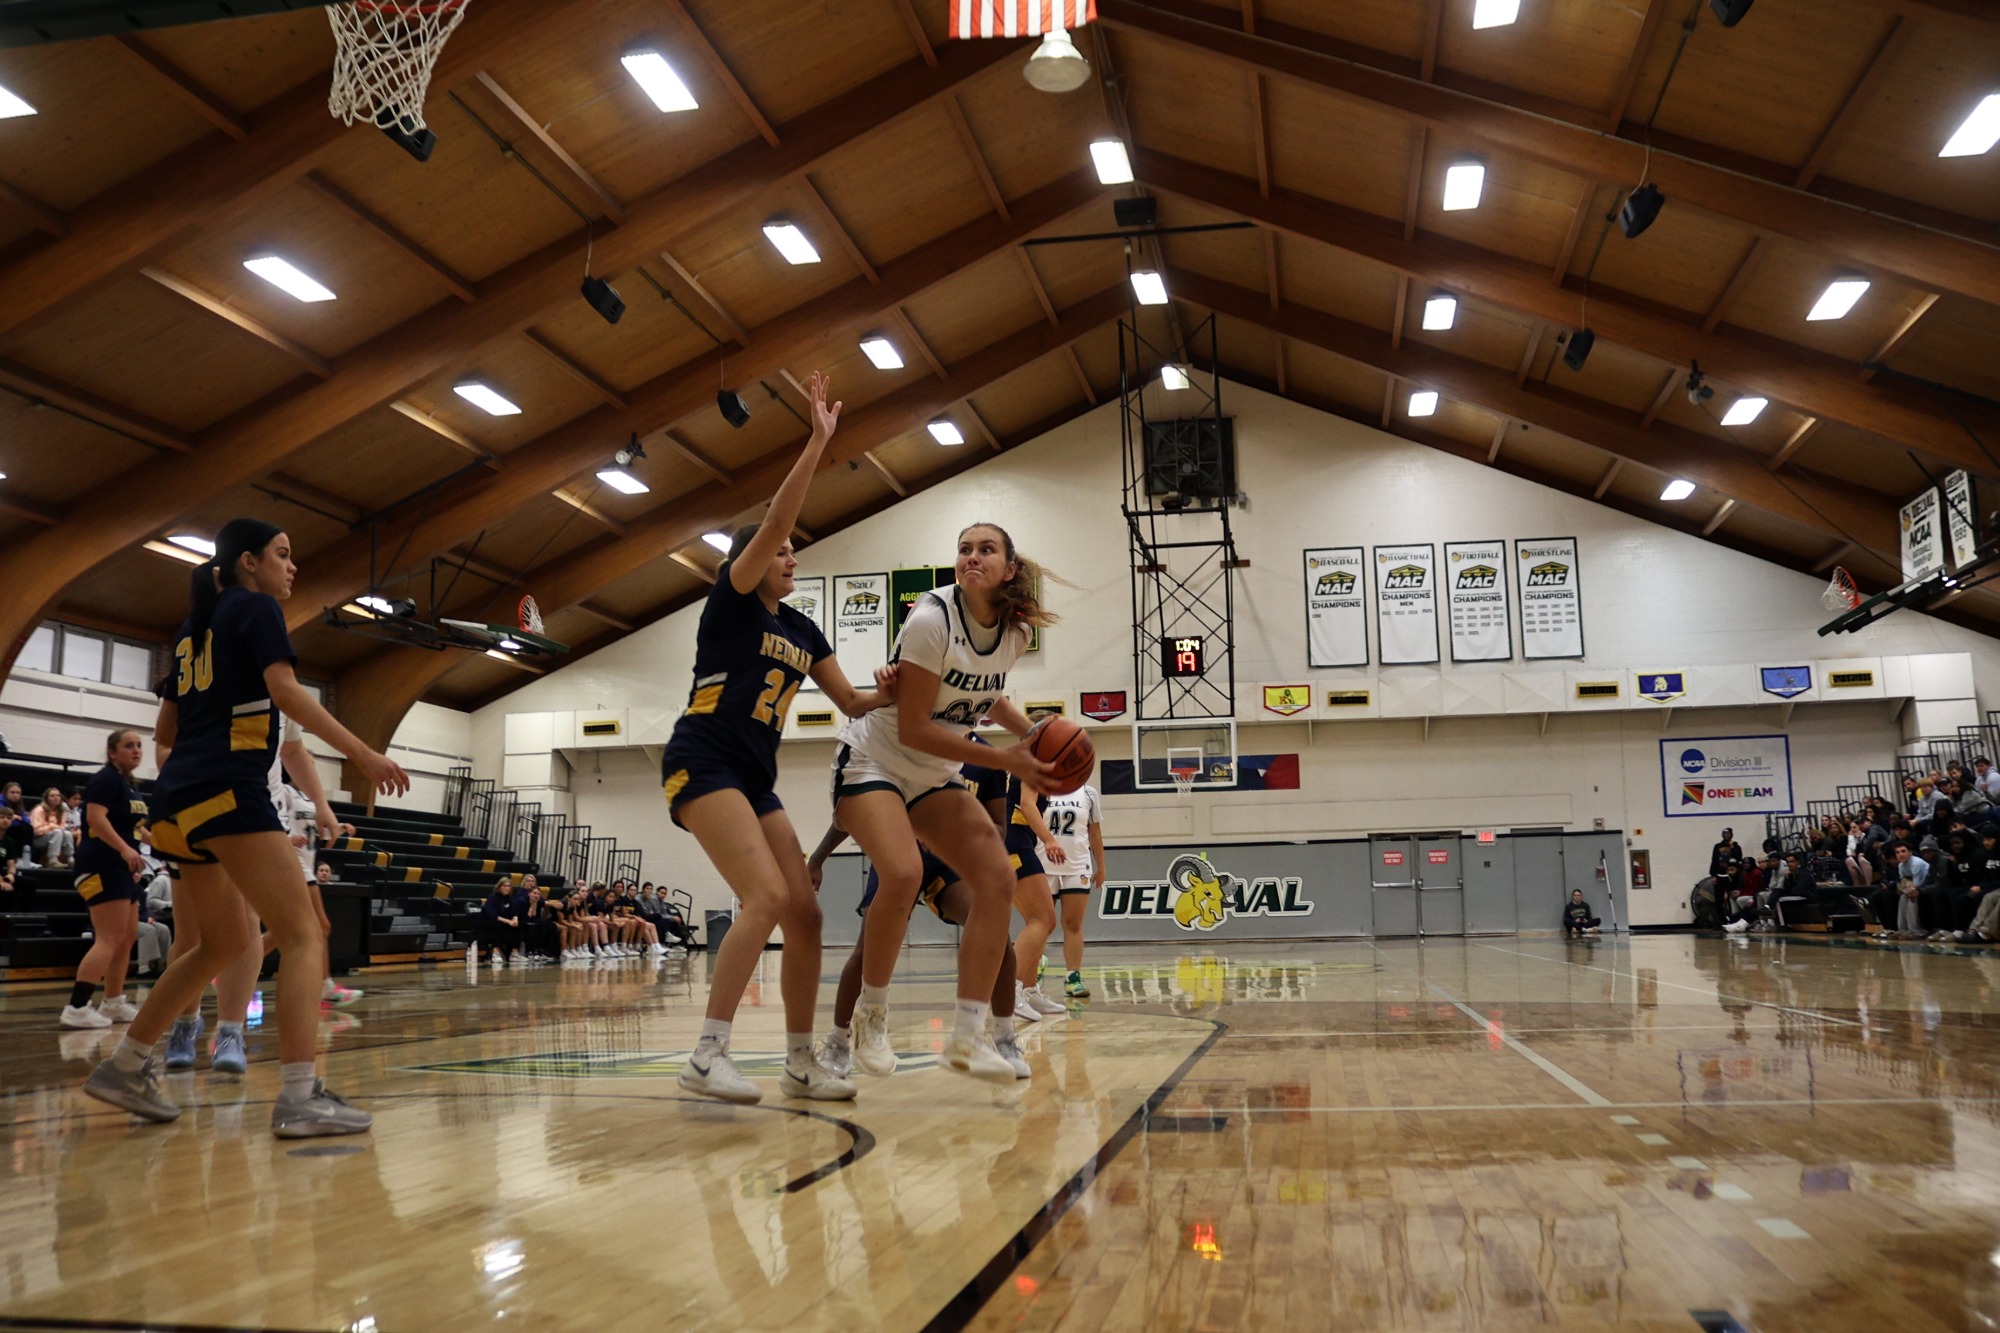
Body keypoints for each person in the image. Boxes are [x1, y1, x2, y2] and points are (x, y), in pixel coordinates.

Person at [82, 518, 409, 1136]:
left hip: (175, 802)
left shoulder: (190, 629)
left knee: (223, 943)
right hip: (228, 791)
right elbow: (285, 692)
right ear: (249, 562)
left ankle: (125, 1066)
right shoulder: (255, 611)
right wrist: (363, 755)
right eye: (283, 555)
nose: (292, 567)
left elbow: (167, 735)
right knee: (306, 932)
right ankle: (298, 1096)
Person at [659, 371, 894, 1105]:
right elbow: (770, 526)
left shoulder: (801, 627)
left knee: (806, 909)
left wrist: (897, 684)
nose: (792, 557)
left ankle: (798, 1057)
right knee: (761, 896)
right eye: (783, 550)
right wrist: (817, 442)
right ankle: (708, 1054)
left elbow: (851, 698)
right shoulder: (730, 604)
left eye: (796, 550)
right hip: (702, 759)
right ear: (755, 559)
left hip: (752, 776)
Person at [833, 521, 1058, 1084]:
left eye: (986, 549)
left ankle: (968, 1035)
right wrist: (1010, 759)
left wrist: (1031, 734)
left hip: (932, 775)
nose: (971, 557)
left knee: (998, 882)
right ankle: (872, 1016)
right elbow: (911, 729)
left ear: (1008, 568)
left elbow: (989, 696)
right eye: (964, 549)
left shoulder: (1014, 635)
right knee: (903, 872)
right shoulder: (932, 619)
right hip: (874, 762)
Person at [59, 729, 152, 1029]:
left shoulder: (130, 786)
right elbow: (95, 818)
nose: (136, 750)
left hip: (123, 868)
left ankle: (113, 1003)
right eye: (128, 746)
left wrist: (171, 848)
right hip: (101, 863)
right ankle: (76, 1007)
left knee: (125, 939)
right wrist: (125, 849)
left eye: (139, 745)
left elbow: (139, 829)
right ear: (112, 752)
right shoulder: (105, 779)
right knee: (109, 938)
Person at [999, 776, 1067, 1020]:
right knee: (1044, 920)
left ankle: (1028, 990)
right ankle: (1008, 991)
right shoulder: (1029, 763)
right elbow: (1027, 804)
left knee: (1038, 921)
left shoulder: (1035, 766)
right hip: (1014, 843)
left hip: (1018, 841)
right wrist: (1049, 839)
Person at [1040, 779, 1104, 999]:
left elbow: (1095, 833)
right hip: (1043, 864)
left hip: (1077, 865)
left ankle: (1073, 977)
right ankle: (1034, 969)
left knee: (1073, 923)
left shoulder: (1089, 793)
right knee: (1041, 924)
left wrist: (1101, 866)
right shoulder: (1041, 788)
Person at [478, 877, 525, 966]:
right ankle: (495, 952)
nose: (507, 888)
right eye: (504, 886)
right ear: (499, 887)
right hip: (488, 923)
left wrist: (515, 919)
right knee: (497, 924)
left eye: (509, 886)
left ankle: (514, 953)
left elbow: (514, 912)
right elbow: (492, 915)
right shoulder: (493, 897)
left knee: (519, 925)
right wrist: (509, 922)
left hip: (504, 923)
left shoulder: (509, 898)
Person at [30, 786, 76, 868]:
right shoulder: (39, 810)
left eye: (58, 796)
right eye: (52, 796)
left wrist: (54, 828)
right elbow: (35, 831)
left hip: (56, 836)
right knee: (57, 832)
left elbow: (62, 827)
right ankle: (52, 860)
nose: (56, 798)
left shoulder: (61, 811)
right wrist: (51, 827)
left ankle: (70, 858)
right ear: (46, 798)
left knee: (67, 833)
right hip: (38, 839)